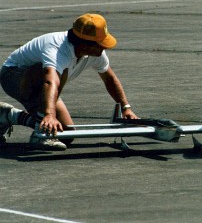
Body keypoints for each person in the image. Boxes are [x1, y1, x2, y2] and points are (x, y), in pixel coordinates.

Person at [0, 13, 138, 150]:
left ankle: (8, 115)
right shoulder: (57, 48)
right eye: (100, 43)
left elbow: (109, 79)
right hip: (13, 76)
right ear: (85, 44)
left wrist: (126, 108)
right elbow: (50, 81)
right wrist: (49, 115)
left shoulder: (94, 53)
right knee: (59, 73)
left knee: (65, 133)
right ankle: (41, 134)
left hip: (47, 84)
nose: (104, 47)